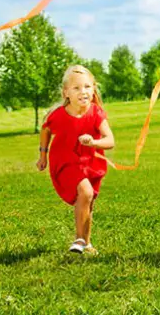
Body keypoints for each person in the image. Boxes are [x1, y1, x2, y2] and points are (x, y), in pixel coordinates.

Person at [37, 65, 115, 254]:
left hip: (90, 163)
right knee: (85, 192)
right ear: (66, 93)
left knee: (89, 201)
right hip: (65, 162)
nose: (83, 92)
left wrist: (94, 142)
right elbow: (46, 130)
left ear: (94, 88)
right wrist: (42, 156)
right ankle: (79, 239)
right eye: (76, 88)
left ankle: (86, 243)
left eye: (87, 87)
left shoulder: (96, 113)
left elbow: (110, 141)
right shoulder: (58, 115)